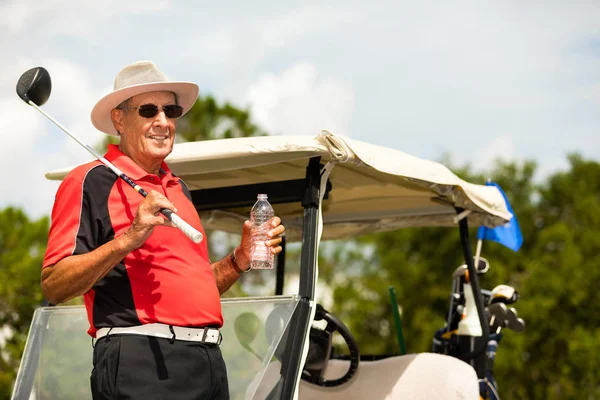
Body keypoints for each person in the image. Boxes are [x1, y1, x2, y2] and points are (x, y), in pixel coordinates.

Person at [41, 60, 285, 400]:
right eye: (148, 110)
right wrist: (130, 237)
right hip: (141, 362)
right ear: (119, 119)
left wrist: (239, 260)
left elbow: (194, 288)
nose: (163, 121)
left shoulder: (178, 188)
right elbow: (54, 284)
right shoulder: (89, 181)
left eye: (170, 110)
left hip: (207, 362)